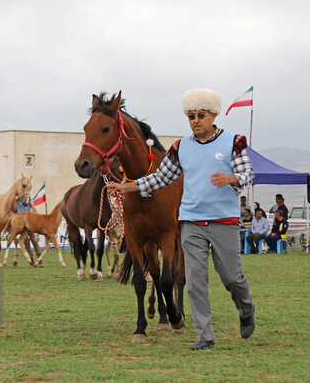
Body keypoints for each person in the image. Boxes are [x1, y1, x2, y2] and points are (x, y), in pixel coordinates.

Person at [108, 88, 255, 351]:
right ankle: (205, 335)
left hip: (224, 221)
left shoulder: (234, 141)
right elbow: (160, 178)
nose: (195, 120)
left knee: (232, 277)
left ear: (212, 115)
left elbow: (248, 174)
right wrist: (127, 187)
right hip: (191, 222)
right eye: (191, 116)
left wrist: (231, 178)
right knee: (194, 281)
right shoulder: (180, 147)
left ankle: (246, 309)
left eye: (200, 115)